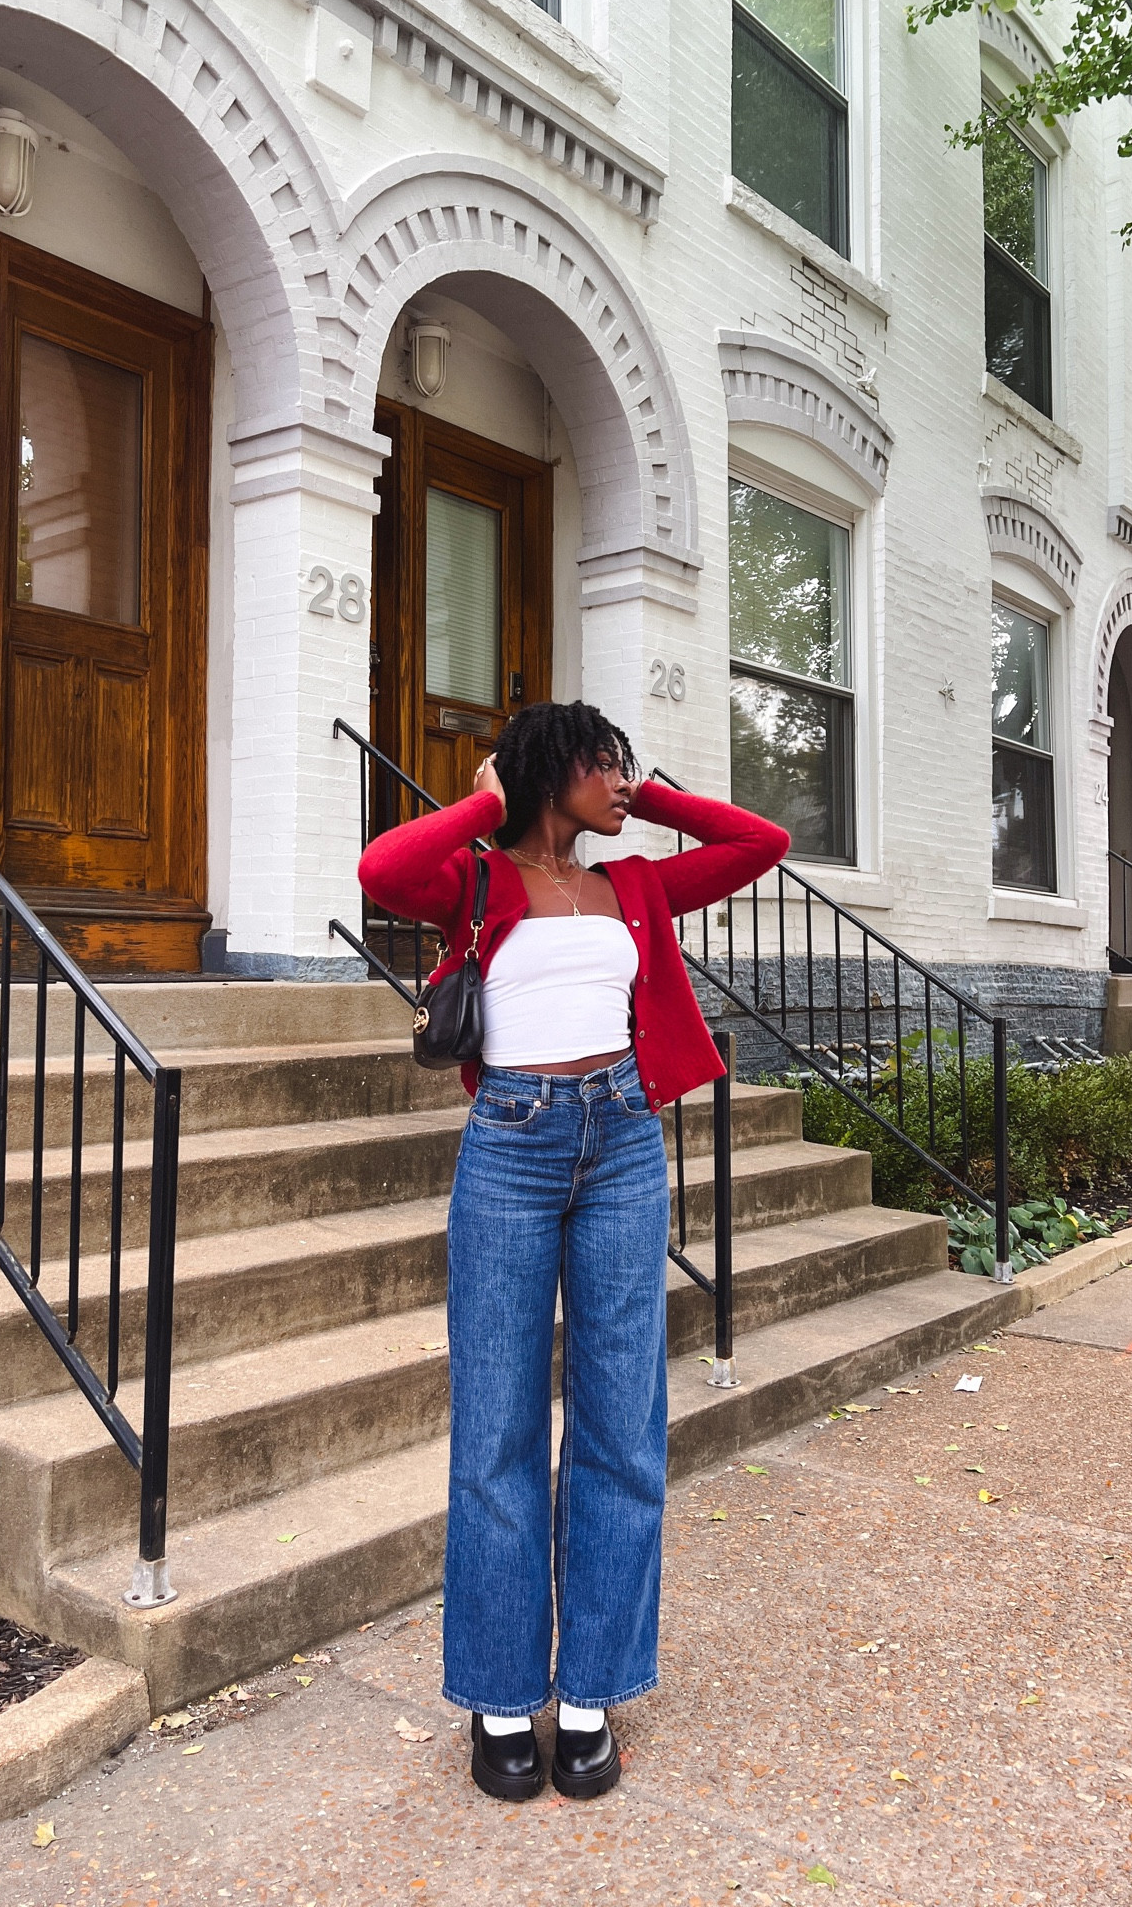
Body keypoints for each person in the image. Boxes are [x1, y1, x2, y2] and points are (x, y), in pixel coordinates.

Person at [358, 700, 789, 1802]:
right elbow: (380, 866)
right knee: (496, 1420)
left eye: (624, 767)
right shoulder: (477, 878)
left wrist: (650, 798)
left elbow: (759, 843)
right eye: (601, 763)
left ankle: (590, 1690)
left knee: (620, 1419)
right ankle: (505, 1698)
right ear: (549, 770)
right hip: (510, 1142)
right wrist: (490, 801)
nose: (618, 779)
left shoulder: (635, 883)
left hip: (624, 1143)